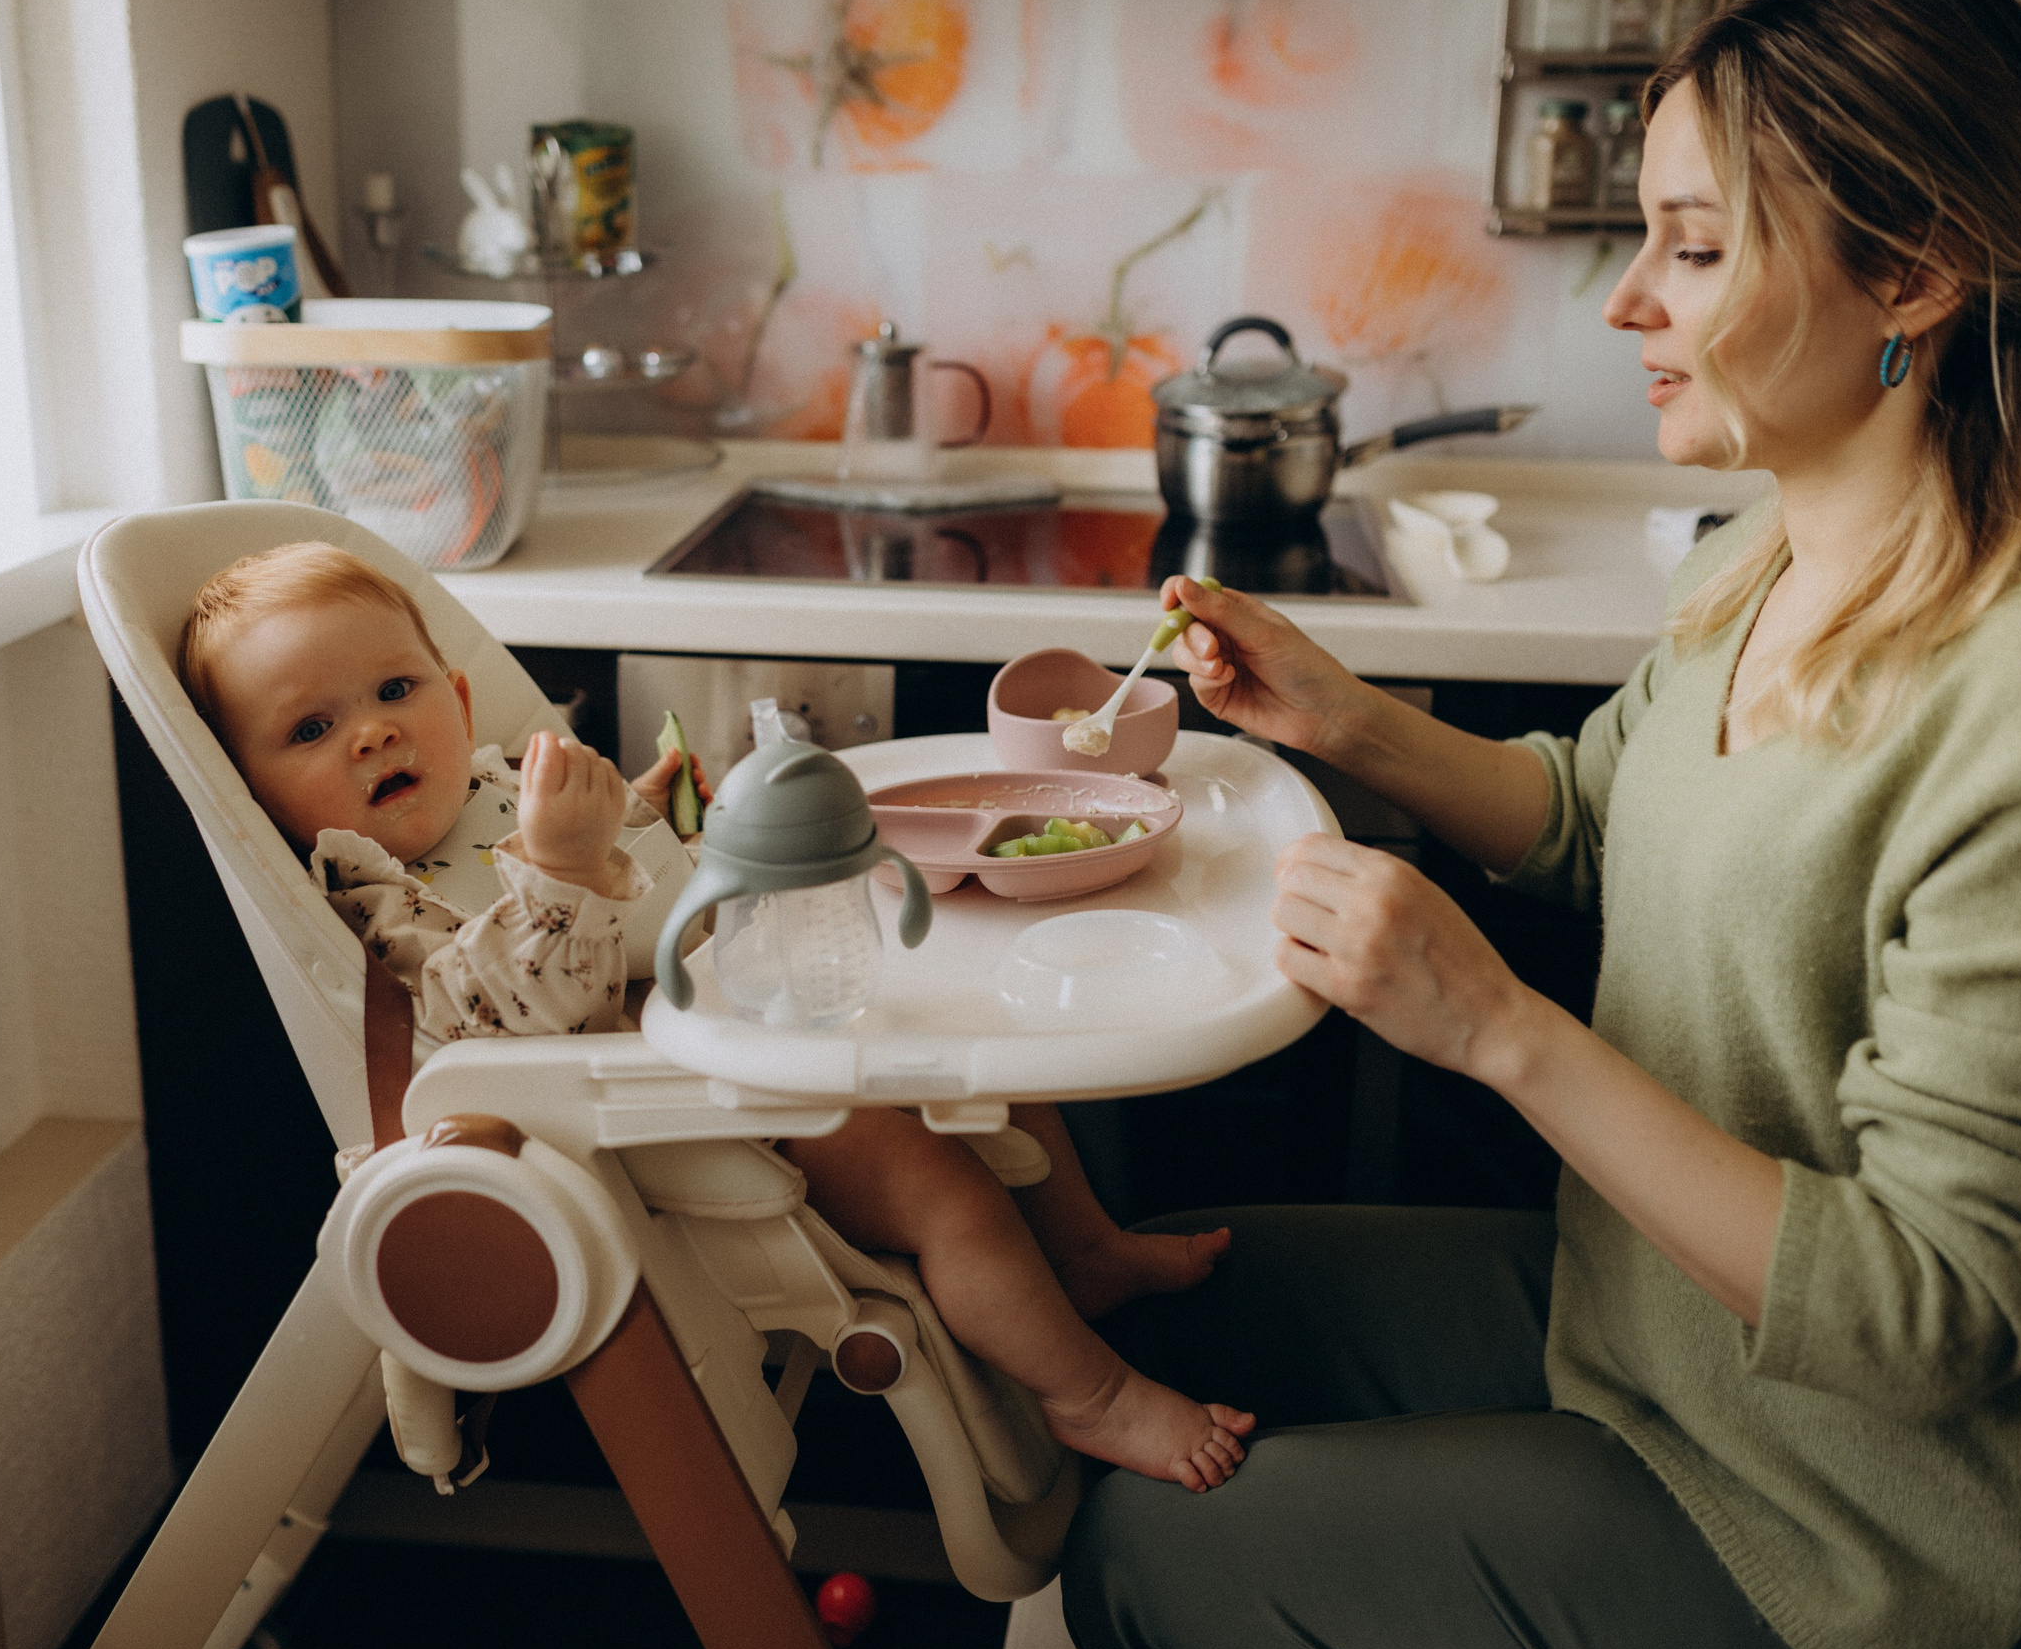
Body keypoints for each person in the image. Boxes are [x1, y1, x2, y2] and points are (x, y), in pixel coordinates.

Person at [1065, 0, 2021, 1649]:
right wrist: (1344, 717)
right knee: (1133, 1295)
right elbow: (1592, 806)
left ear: (1915, 271)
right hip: (1648, 1326)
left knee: (1151, 1544)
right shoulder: (1767, 550)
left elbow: (1934, 1311)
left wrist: (1495, 1028)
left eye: (1693, 249)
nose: (1627, 300)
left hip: (1876, 1523)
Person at [179, 541, 1256, 1489]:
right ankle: (1094, 1398)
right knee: (947, 1194)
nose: (371, 733)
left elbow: (634, 883)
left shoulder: (498, 782)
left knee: (988, 1053)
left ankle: (1085, 1251)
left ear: (458, 704)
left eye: (393, 689)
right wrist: (562, 864)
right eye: (312, 727)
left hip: (746, 1005)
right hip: (673, 1103)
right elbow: (495, 1019)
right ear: (256, 795)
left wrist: (642, 814)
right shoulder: (375, 899)